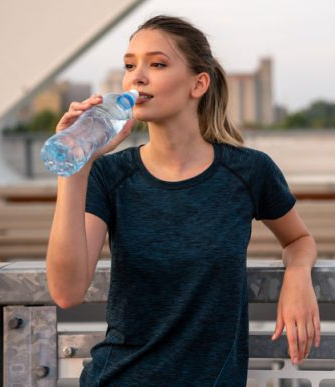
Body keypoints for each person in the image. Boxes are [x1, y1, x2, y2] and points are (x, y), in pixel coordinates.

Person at [45, 15, 320, 386]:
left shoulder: (249, 171)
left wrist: (297, 276)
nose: (136, 77)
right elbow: (66, 291)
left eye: (156, 64)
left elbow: (298, 240)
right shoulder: (109, 175)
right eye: (130, 65)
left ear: (198, 83)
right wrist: (75, 167)